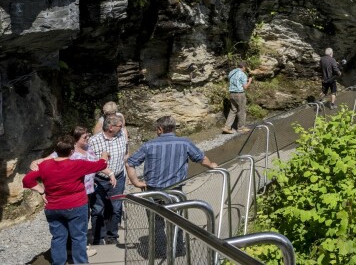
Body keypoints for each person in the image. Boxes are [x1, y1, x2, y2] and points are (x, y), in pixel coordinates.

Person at [126, 116, 218, 255]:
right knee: (178, 219)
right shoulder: (184, 142)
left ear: (160, 129)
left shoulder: (149, 145)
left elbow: (130, 163)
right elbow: (201, 158)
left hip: (153, 190)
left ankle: (159, 250)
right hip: (176, 190)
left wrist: (136, 182)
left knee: (156, 221)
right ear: (173, 128)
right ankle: (178, 249)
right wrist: (211, 165)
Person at [23, 134, 108, 265]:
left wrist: (41, 191)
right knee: (78, 237)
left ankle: (58, 263)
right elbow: (101, 165)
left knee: (58, 237)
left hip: (53, 207)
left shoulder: (45, 165)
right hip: (76, 206)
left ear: (56, 150)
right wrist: (104, 155)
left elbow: (27, 180)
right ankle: (80, 262)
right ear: (72, 151)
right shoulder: (77, 164)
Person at [87, 114, 127, 246]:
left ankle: (112, 236)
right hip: (99, 179)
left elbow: (126, 153)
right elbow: (89, 162)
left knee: (116, 207)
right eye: (120, 126)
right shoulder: (93, 141)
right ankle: (98, 237)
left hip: (119, 176)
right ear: (110, 127)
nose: (122, 128)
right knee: (98, 209)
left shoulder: (122, 136)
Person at [223, 62, 252, 134]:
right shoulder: (242, 74)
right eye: (245, 68)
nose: (245, 70)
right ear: (244, 67)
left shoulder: (231, 72)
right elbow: (245, 87)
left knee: (233, 110)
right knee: (241, 111)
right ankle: (241, 128)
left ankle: (227, 127)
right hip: (239, 94)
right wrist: (250, 81)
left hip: (232, 94)